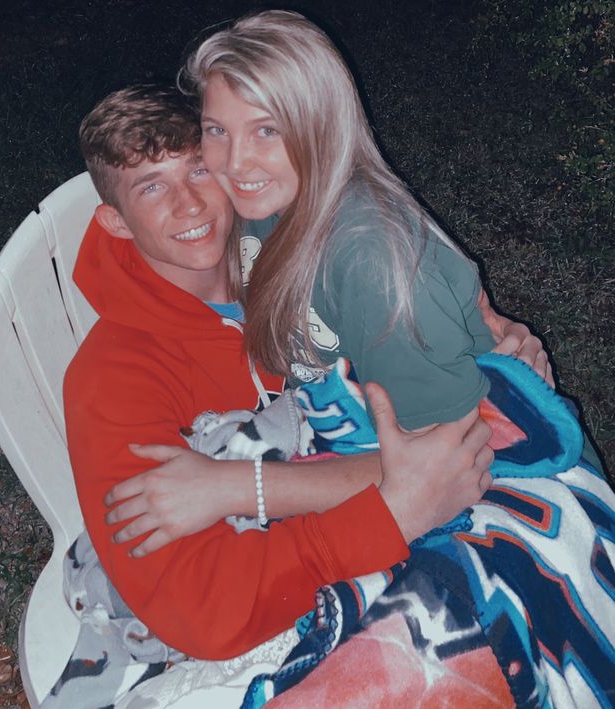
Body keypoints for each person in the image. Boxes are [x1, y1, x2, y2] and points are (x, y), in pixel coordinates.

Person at [63, 84, 495, 662]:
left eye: (197, 170)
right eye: (151, 187)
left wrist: (482, 332)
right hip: (321, 578)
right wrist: (392, 512)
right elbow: (202, 608)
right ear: (114, 222)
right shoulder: (110, 380)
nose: (188, 204)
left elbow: (439, 413)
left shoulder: (286, 251)